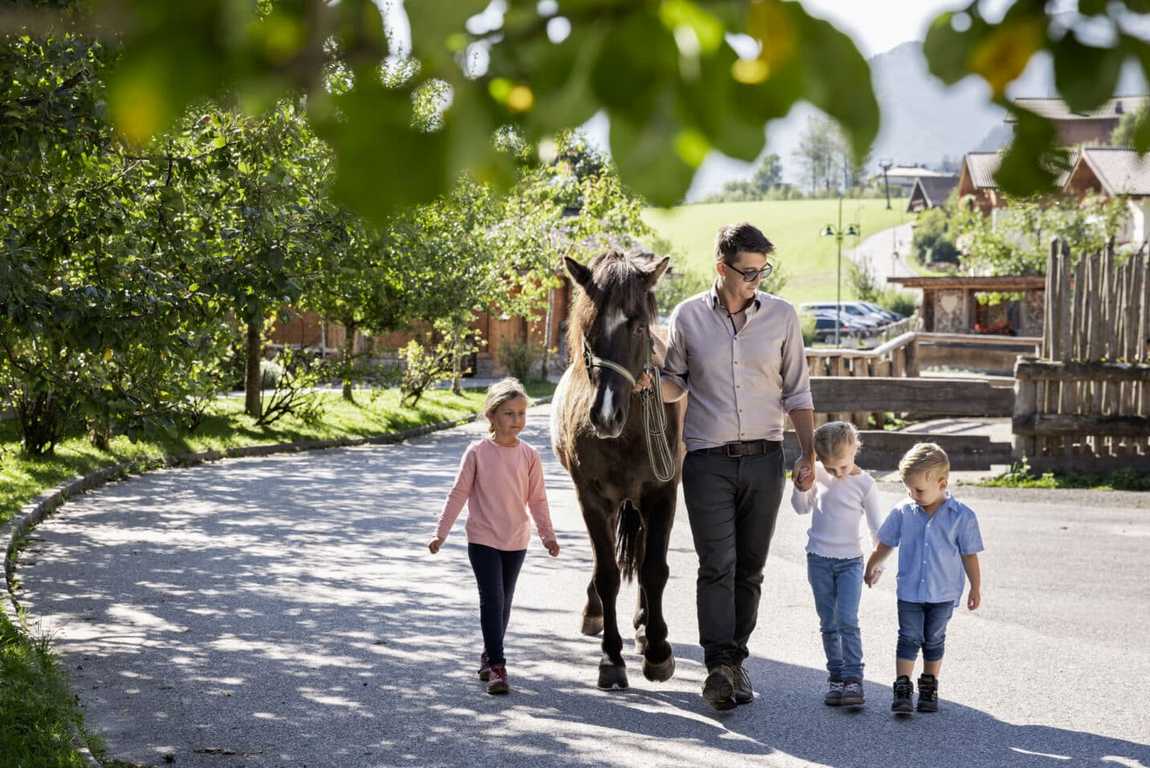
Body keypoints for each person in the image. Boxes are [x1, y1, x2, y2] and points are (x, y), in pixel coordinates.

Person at [656, 222, 816, 711]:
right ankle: (719, 664)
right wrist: (651, 382)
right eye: (747, 272)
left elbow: (798, 390)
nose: (756, 281)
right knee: (716, 566)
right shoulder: (687, 316)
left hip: (766, 458)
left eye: (763, 271)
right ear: (720, 268)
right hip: (707, 461)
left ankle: (735, 661)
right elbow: (675, 385)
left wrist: (808, 452)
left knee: (750, 569)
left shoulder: (782, 317)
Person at [428, 378, 560, 695]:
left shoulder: (529, 456)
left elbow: (537, 499)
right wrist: (440, 533)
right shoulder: (477, 453)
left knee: (504, 604)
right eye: (509, 414)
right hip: (483, 539)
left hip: (516, 540)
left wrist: (547, 535)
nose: (516, 421)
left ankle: (488, 655)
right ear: (492, 415)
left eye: (521, 414)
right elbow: (458, 494)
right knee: (493, 599)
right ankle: (499, 666)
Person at [864, 442, 984, 715]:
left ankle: (929, 686)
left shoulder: (962, 517)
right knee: (908, 636)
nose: (912, 494)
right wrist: (872, 563)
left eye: (919, 490)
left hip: (944, 592)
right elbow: (886, 543)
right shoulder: (903, 511)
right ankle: (903, 686)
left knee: (934, 638)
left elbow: (969, 555)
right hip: (910, 591)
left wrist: (975, 587)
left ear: (941, 483)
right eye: (909, 489)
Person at [791, 421, 883, 709]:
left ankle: (854, 678)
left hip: (850, 564)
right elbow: (801, 508)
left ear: (856, 448)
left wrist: (876, 562)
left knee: (847, 620)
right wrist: (800, 486)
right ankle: (836, 676)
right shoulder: (817, 475)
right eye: (831, 468)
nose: (837, 473)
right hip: (818, 560)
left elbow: (876, 528)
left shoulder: (865, 484)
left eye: (842, 466)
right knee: (828, 623)